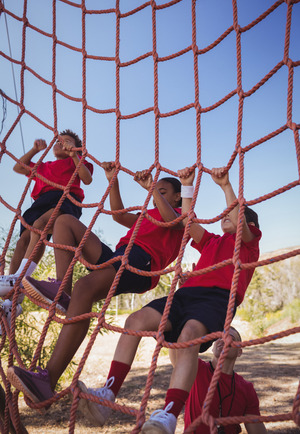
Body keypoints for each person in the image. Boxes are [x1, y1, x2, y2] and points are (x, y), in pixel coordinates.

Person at [36, 165, 260, 434]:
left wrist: (225, 187)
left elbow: (194, 220)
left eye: (234, 215)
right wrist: (187, 185)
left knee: (188, 336)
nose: (225, 215)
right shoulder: (211, 240)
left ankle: (168, 413)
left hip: (218, 299)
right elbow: (188, 219)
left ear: (250, 225)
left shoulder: (248, 244)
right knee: (136, 319)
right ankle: (109, 393)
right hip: (186, 295)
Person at [6, 162, 185, 409]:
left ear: (177, 197)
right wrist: (114, 180)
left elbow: (170, 221)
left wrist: (152, 187)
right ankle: (62, 290)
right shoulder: (147, 215)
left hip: (140, 263)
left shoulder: (181, 216)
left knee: (85, 288)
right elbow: (120, 215)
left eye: (163, 192)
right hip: (121, 255)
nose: (157, 196)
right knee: (64, 222)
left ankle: (48, 379)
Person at [0, 130, 93, 331]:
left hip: (64, 197)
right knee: (22, 241)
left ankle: (20, 278)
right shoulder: (44, 166)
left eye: (67, 142)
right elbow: (18, 167)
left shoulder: (75, 161)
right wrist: (34, 149)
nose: (62, 144)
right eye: (59, 142)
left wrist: (74, 155)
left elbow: (87, 179)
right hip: (40, 202)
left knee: (40, 227)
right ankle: (13, 298)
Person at [182, 326, 267, 433]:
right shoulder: (196, 368)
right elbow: (178, 353)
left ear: (239, 352)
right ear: (213, 348)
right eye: (219, 337)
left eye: (230, 337)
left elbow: (257, 431)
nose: (223, 340)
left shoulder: (246, 389)